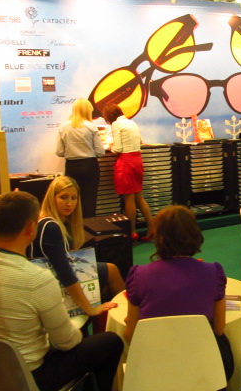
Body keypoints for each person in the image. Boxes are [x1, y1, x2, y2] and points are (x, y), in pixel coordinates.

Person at [0, 191, 123, 391]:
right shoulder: (38, 280)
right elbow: (66, 343)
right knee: (110, 342)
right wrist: (77, 331)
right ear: (31, 228)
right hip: (32, 375)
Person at [123, 205, 234, 380]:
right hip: (203, 370)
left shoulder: (138, 275)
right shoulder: (213, 272)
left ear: (159, 237)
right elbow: (219, 329)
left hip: (155, 371)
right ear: (194, 234)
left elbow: (130, 335)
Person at [30, 176, 124, 317]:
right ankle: (128, 314)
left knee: (105, 284)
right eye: (63, 197)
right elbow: (65, 273)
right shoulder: (51, 227)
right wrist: (90, 309)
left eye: (74, 198)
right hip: (51, 283)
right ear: (52, 198)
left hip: (49, 280)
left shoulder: (55, 221)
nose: (69, 203)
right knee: (111, 270)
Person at [103, 103, 154, 237]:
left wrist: (109, 147)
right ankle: (151, 227)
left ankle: (131, 232)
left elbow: (118, 149)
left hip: (125, 162)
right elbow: (140, 141)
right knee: (139, 197)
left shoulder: (116, 125)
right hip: (137, 160)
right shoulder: (132, 122)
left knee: (129, 199)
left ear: (109, 116)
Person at [56, 98, 105, 218]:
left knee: (71, 199)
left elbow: (59, 151)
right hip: (90, 166)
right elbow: (100, 152)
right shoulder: (91, 127)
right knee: (89, 200)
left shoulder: (63, 127)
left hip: (72, 167)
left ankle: (73, 226)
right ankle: (89, 227)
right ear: (88, 111)